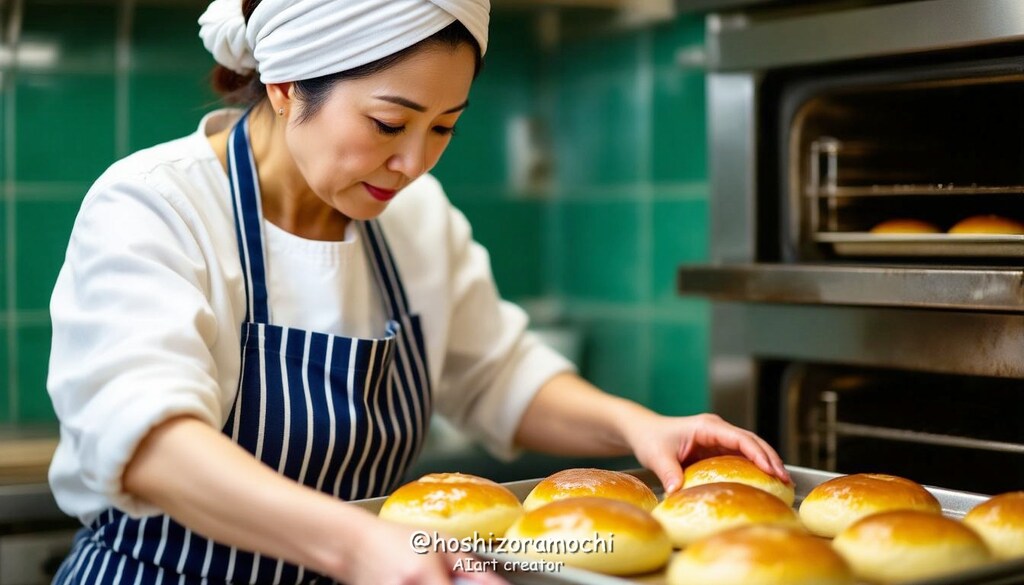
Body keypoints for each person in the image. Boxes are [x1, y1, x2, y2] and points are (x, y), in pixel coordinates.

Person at [45, 1, 791, 584]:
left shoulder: (414, 222)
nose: (412, 164)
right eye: (388, 122)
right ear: (285, 82)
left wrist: (638, 426)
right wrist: (357, 543)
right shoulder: (155, 206)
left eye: (443, 130)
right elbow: (150, 443)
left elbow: (497, 375)